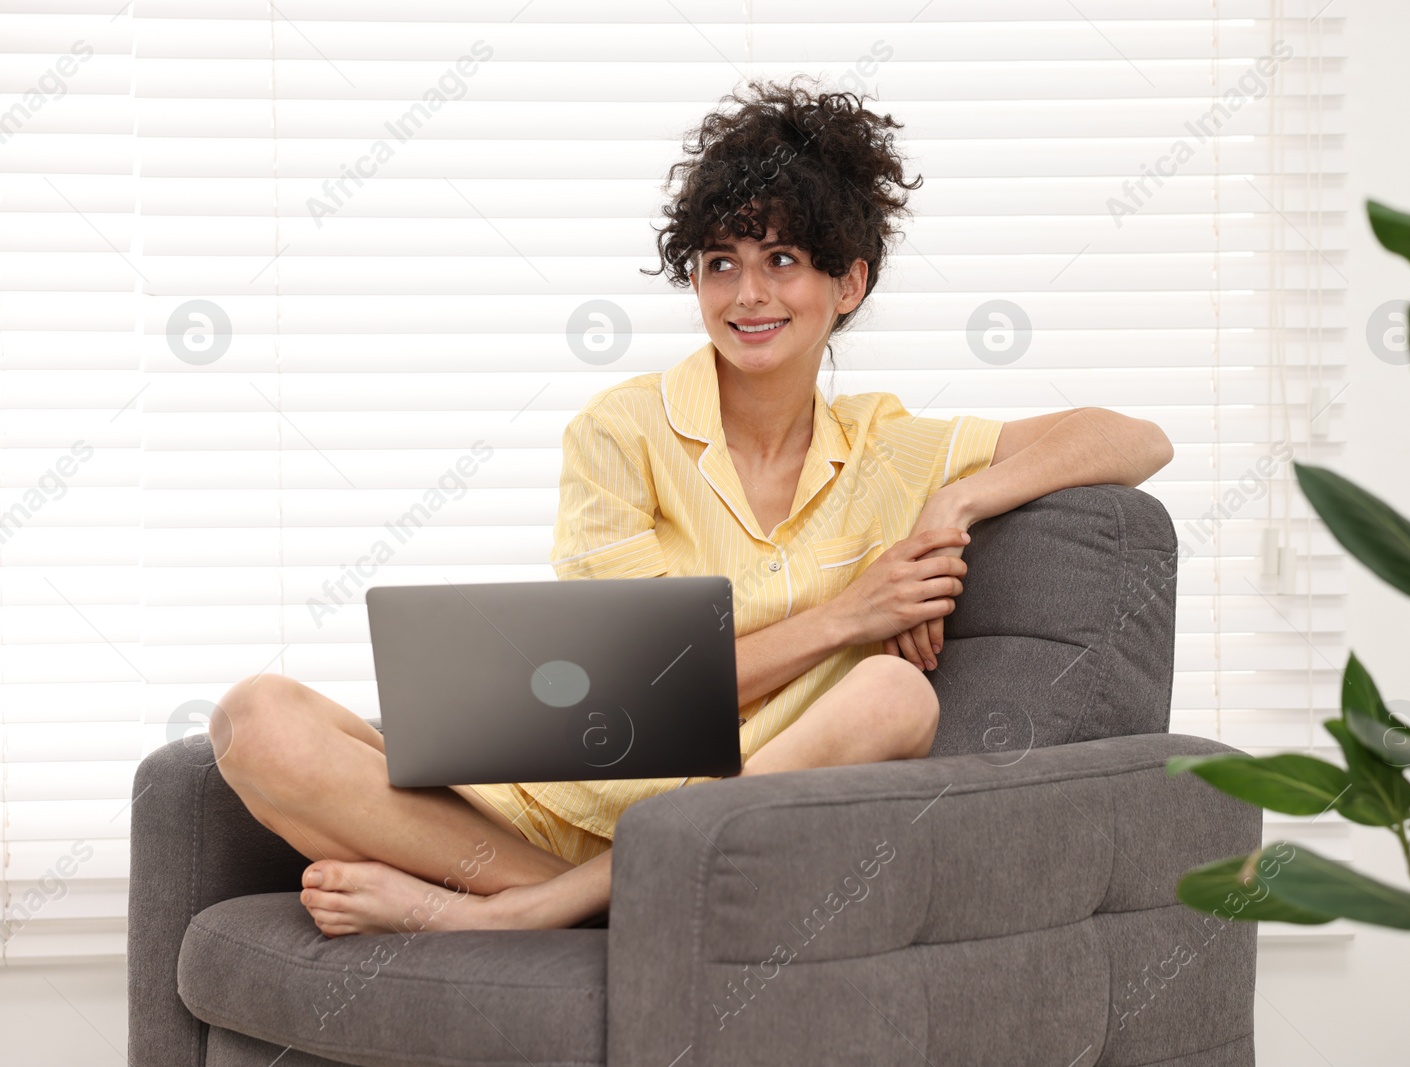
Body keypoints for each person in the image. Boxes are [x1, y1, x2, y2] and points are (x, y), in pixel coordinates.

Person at [208, 75, 1173, 937]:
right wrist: (849, 614)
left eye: (783, 258)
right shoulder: (619, 431)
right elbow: (628, 696)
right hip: (543, 803)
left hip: (732, 810)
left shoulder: (892, 444)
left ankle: (532, 914)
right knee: (256, 718)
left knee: (894, 696)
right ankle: (577, 897)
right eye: (720, 263)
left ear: (849, 281)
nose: (748, 294)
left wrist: (957, 501)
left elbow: (1134, 437)